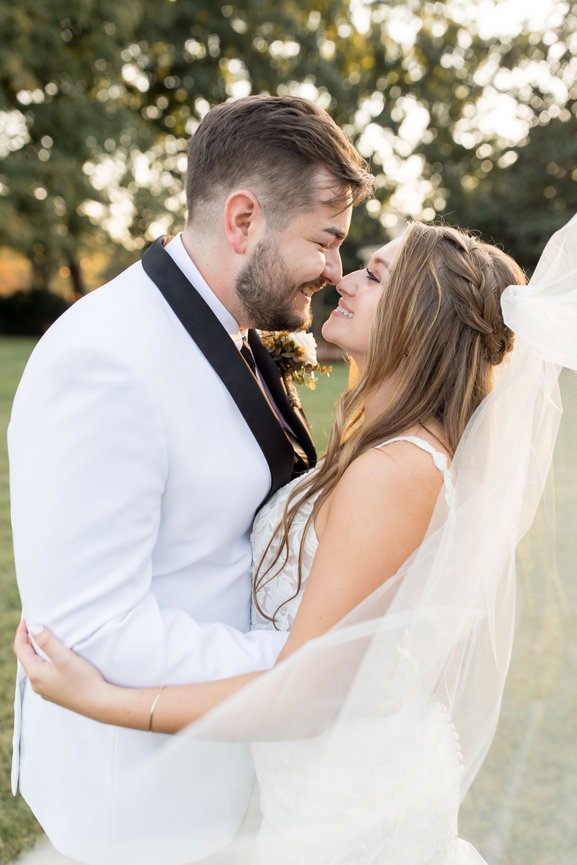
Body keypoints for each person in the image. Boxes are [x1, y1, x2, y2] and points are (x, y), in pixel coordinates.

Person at [18, 214, 577, 864]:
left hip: (347, 809)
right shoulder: (375, 444)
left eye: (374, 275)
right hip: (310, 784)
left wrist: (107, 701)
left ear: (418, 318)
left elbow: (307, 692)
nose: (344, 279)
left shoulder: (395, 469)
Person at [8, 94, 373, 862]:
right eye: (325, 240)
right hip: (141, 803)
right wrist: (304, 664)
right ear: (243, 220)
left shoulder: (229, 328)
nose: (334, 269)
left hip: (218, 768)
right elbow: (93, 633)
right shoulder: (106, 359)